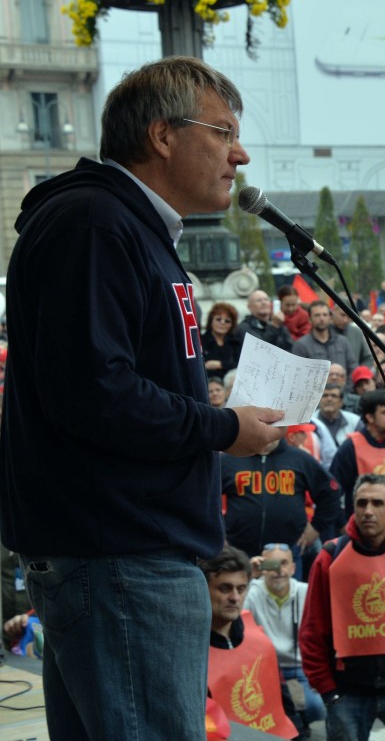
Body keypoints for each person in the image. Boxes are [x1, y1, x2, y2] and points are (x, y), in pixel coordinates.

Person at [0, 57, 286, 739]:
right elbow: (95, 392)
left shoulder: (126, 227)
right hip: (121, 557)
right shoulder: (95, 224)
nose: (239, 154)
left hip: (125, 555)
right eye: (223, 133)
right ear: (163, 135)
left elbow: (111, 380)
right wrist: (220, 426)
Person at [300, 475, 385, 741]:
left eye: (377, 503)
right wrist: (328, 691)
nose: (368, 511)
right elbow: (312, 629)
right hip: (347, 694)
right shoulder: (330, 557)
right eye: (362, 503)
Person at [202, 546, 301, 739]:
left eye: (241, 588)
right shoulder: (191, 650)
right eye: (225, 588)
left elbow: (281, 698)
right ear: (204, 589)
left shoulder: (256, 634)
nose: (235, 597)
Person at [220, 436, 341, 573]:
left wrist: (316, 527)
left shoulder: (299, 459)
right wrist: (218, 534)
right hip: (240, 552)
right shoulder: (230, 459)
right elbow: (204, 494)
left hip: (287, 552)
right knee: (242, 594)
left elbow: (331, 492)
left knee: (286, 594)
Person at [244, 543, 325, 732]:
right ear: (262, 568)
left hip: (299, 669)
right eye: (271, 565)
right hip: (264, 670)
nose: (278, 570)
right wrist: (248, 575)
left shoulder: (306, 591)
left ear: (293, 567)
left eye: (283, 563)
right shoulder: (252, 591)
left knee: (316, 708)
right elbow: (235, 619)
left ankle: (298, 723)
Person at [330, 389, 385, 519]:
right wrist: (343, 524)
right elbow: (333, 492)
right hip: (363, 523)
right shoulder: (350, 447)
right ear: (370, 417)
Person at [291, 301, 358, 375]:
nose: (322, 318)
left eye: (325, 315)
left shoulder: (343, 342)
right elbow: (297, 374)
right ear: (310, 319)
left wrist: (346, 386)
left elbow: (353, 369)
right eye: (317, 315)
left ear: (330, 317)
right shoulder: (301, 345)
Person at [202, 300, 244, 377]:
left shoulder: (236, 342)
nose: (222, 323)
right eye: (218, 319)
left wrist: (220, 365)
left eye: (227, 321)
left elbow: (241, 365)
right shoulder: (201, 341)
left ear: (232, 324)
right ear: (211, 321)